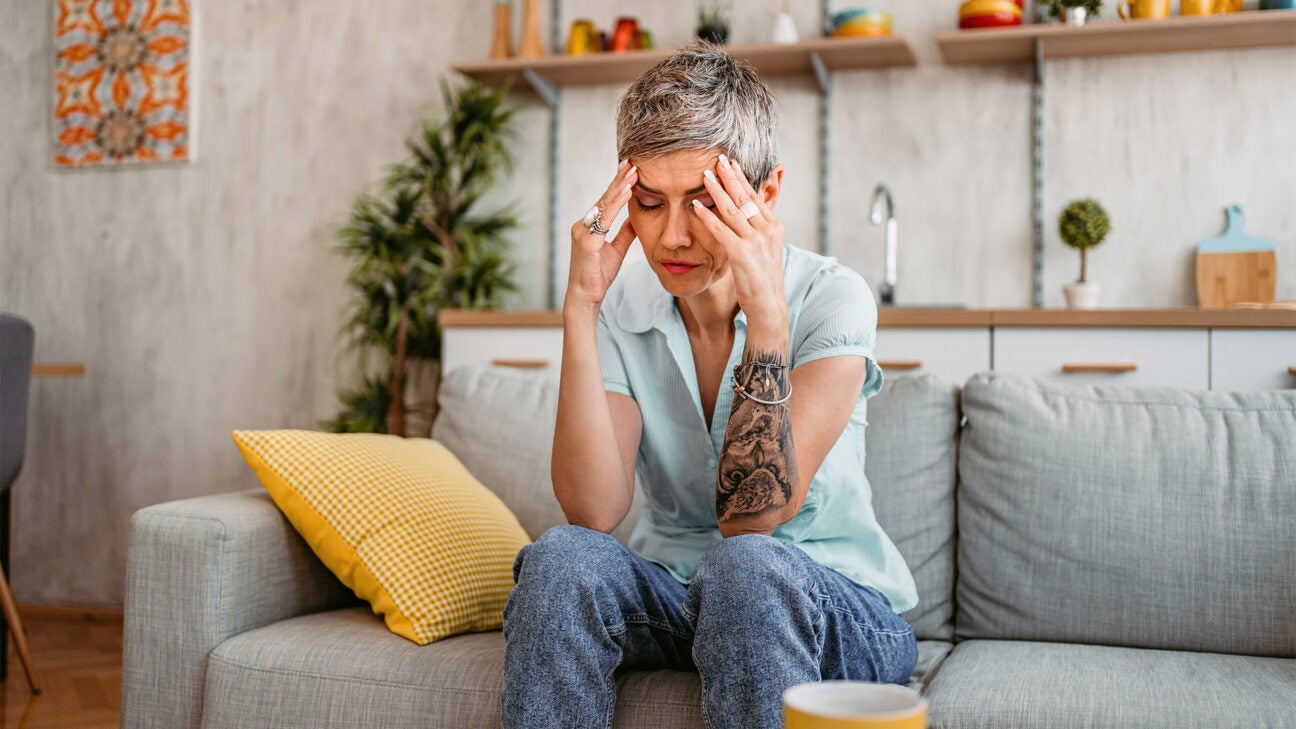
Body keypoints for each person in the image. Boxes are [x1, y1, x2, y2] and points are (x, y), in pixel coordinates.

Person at [501, 43, 918, 729]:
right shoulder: (624, 306)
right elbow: (595, 509)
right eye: (649, 201)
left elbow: (750, 521)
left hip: (837, 606)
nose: (672, 235)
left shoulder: (830, 298)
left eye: (703, 202)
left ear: (767, 194)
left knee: (747, 565)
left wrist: (769, 318)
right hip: (679, 591)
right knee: (559, 558)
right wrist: (582, 305)